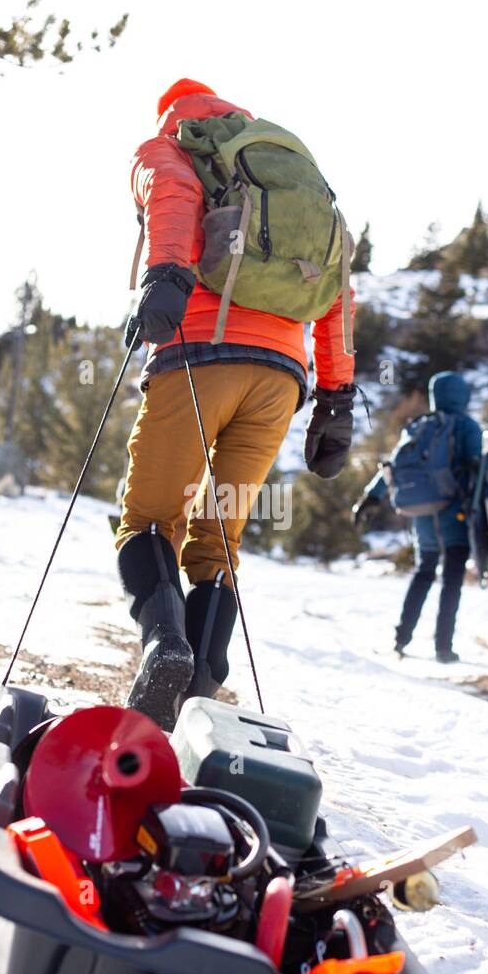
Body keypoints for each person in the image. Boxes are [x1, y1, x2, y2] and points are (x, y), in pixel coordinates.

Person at [116, 78, 356, 730]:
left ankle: (165, 647)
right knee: (220, 534)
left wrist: (164, 276)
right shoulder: (289, 172)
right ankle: (204, 677)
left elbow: (171, 200)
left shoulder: (170, 148)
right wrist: (337, 395)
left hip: (199, 355)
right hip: (280, 377)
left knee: (149, 518)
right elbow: (337, 281)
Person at [393, 370, 482, 664]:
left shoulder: (419, 426)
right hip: (453, 514)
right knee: (452, 578)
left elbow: (393, 466)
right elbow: (478, 468)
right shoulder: (467, 426)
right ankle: (443, 646)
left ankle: (401, 637)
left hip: (422, 515)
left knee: (424, 571)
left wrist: (371, 497)